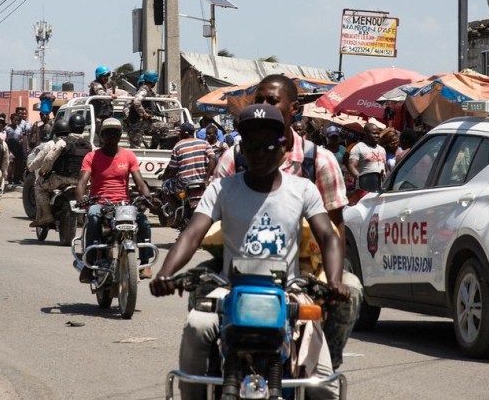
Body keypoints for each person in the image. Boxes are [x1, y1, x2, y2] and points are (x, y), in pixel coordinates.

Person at [150, 104, 350, 400]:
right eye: (252, 146)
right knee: (197, 324)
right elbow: (192, 234)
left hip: (289, 292)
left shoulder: (303, 189)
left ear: (282, 147)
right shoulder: (222, 189)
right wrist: (166, 274)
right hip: (230, 290)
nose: (259, 153)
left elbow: (328, 237)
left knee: (324, 388)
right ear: (242, 148)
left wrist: (334, 280)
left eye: (268, 145)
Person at [214, 74, 361, 370]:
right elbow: (211, 225)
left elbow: (334, 229)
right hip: (242, 266)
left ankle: (323, 369)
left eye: (272, 100)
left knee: (351, 291)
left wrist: (332, 280)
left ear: (293, 108)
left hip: (305, 271)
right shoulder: (233, 159)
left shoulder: (320, 161)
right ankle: (213, 369)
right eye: (259, 100)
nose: (264, 105)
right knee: (199, 304)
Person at [75, 118, 154, 280]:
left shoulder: (128, 156)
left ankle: (145, 263)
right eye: (109, 132)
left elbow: (140, 183)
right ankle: (89, 264)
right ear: (102, 135)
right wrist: (81, 198)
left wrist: (148, 198)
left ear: (120, 135)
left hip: (123, 204)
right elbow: (81, 183)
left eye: (116, 132)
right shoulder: (91, 157)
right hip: (99, 202)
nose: (112, 136)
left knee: (144, 221)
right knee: (93, 217)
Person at [30, 114, 92, 228]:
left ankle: (47, 215)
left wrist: (43, 171)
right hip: (81, 181)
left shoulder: (63, 142)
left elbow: (49, 158)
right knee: (88, 195)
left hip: (60, 178)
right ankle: (82, 217)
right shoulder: (89, 145)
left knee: (39, 186)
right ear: (83, 127)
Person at [159, 122, 216, 210]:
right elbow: (212, 158)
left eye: (180, 132)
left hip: (184, 182)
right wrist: (206, 178)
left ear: (184, 133)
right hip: (203, 181)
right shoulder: (204, 143)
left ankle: (175, 208)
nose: (179, 134)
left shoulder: (178, 146)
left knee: (165, 185)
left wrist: (167, 177)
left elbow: (173, 169)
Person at [126, 71, 171, 149]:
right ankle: (155, 148)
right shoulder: (143, 90)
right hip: (138, 125)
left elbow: (156, 97)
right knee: (135, 149)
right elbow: (136, 102)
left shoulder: (149, 91)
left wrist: (167, 97)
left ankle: (153, 148)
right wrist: (144, 114)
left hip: (144, 124)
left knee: (163, 127)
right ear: (153, 81)